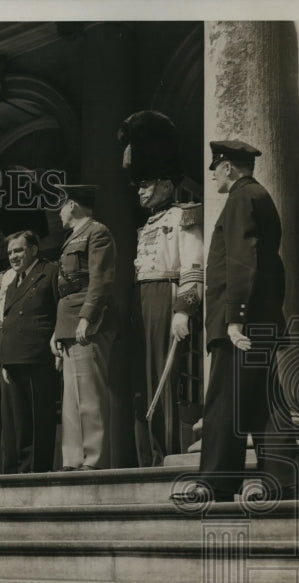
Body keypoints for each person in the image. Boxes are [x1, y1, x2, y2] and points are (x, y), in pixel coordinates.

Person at [180, 140, 299, 503]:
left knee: (224, 402)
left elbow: (241, 261)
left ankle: (215, 482)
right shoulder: (258, 196)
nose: (213, 173)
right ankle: (284, 477)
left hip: (241, 325)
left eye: (215, 167)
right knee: (266, 402)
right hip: (260, 319)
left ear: (229, 167)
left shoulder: (241, 198)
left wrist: (235, 320)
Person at [118, 110, 204, 464]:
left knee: (164, 382)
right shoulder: (147, 225)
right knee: (141, 384)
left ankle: (167, 454)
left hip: (167, 297)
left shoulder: (184, 216)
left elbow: (194, 268)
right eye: (139, 184)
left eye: (147, 183)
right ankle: (147, 457)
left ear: (166, 184)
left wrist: (183, 310)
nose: (141, 190)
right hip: (142, 299)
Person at [53, 184, 118, 470]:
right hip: (69, 321)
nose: (58, 212)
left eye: (61, 205)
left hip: (86, 322)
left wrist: (87, 317)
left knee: (89, 393)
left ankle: (93, 459)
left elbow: (101, 279)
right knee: (71, 396)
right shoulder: (73, 237)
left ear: (72, 205)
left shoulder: (97, 232)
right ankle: (73, 458)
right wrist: (58, 329)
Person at [0, 230, 61, 473]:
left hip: (37, 355)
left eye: (18, 250)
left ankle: (35, 473)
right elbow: (3, 320)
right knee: (14, 422)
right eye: (10, 252)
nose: (13, 256)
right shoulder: (10, 283)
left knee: (39, 420)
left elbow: (61, 308)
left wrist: (57, 340)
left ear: (34, 249)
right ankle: (15, 473)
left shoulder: (50, 272)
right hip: (11, 358)